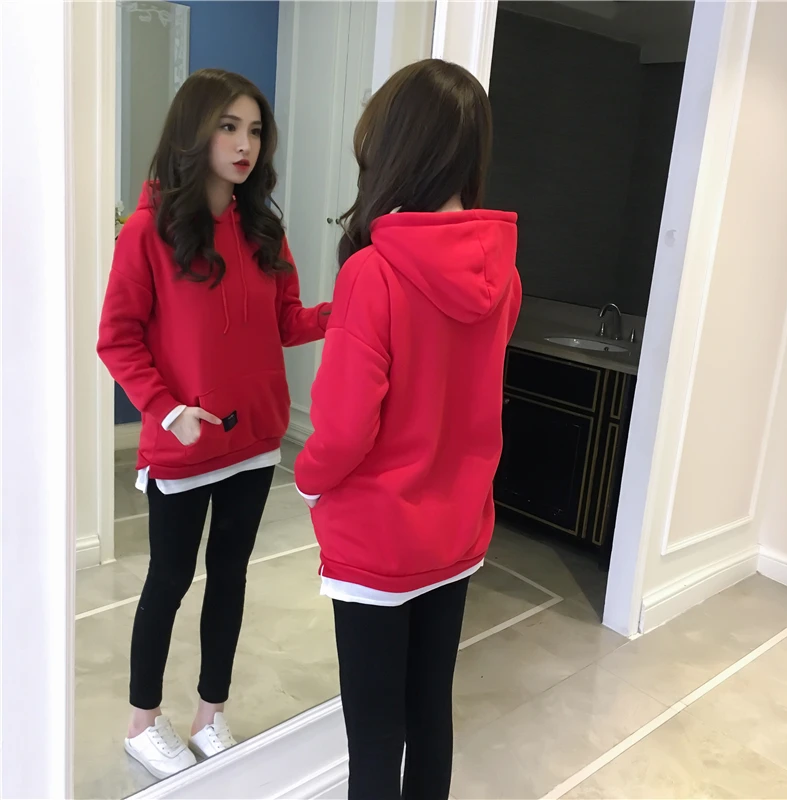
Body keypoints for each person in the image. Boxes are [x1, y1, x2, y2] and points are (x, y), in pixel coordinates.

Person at [294, 59, 522, 799]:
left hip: (376, 545)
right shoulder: (505, 276)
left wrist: (307, 483)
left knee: (373, 741)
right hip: (457, 531)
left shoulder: (373, 273)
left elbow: (343, 429)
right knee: (430, 716)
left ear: (394, 147)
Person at [97, 68, 330, 779]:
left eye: (254, 130)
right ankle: (143, 723)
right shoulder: (149, 231)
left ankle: (210, 714)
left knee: (229, 579)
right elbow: (117, 339)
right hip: (184, 446)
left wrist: (350, 307)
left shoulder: (264, 229)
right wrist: (168, 410)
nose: (244, 144)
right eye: (228, 127)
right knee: (168, 581)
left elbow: (287, 323)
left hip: (253, 444)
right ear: (194, 132)